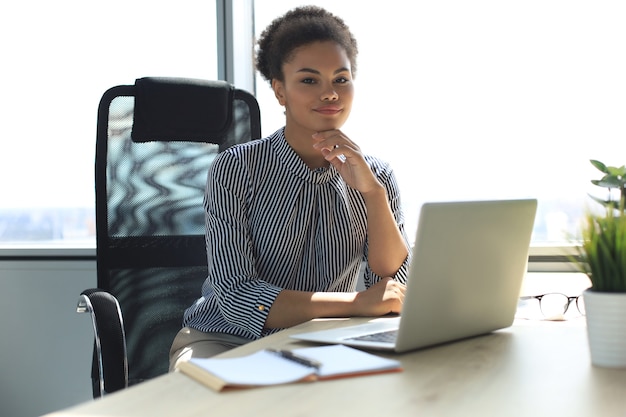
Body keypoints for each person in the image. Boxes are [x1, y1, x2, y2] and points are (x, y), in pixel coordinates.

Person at [169, 5, 410, 371]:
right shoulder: (236, 168)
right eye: (309, 80)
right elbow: (237, 296)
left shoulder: (375, 174)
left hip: (324, 342)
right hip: (227, 340)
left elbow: (390, 284)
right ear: (280, 91)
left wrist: (374, 194)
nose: (330, 93)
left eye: (340, 79)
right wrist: (356, 304)